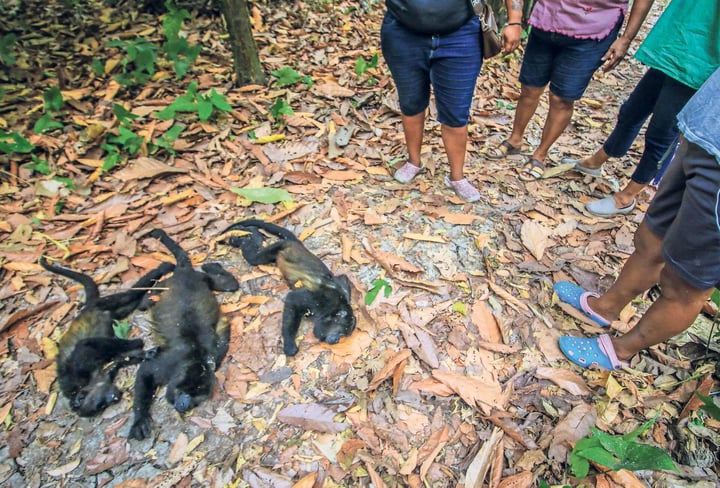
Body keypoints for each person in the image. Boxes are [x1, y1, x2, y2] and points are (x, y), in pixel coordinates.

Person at [553, 66, 720, 370]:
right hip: (702, 132)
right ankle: (605, 307)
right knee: (650, 238)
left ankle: (621, 349)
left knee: (685, 282)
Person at [566, 0, 720, 217]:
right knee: (631, 112)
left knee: (661, 131)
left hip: (700, 65)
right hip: (674, 48)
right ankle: (595, 161)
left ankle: (627, 196)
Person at [486, 0, 654, 181]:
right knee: (530, 88)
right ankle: (515, 139)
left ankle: (540, 155)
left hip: (593, 31)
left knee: (562, 98)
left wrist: (626, 39)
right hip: (547, 20)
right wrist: (515, 20)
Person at [381, 0, 523, 202]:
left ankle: (457, 176)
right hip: (403, 31)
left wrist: (514, 21)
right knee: (411, 101)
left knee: (456, 111)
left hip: (460, 34)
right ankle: (414, 161)